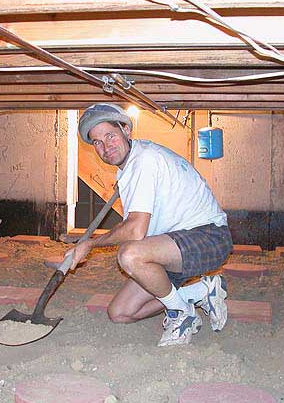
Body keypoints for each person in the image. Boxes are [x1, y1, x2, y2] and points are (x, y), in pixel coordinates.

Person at [65, 103, 233, 347]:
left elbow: (135, 231)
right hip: (172, 247)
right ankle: (200, 293)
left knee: (130, 255)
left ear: (126, 130)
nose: (105, 146)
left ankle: (180, 314)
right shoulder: (128, 170)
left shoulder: (144, 160)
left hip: (208, 238)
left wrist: (89, 244)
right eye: (97, 142)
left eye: (110, 135)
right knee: (121, 312)